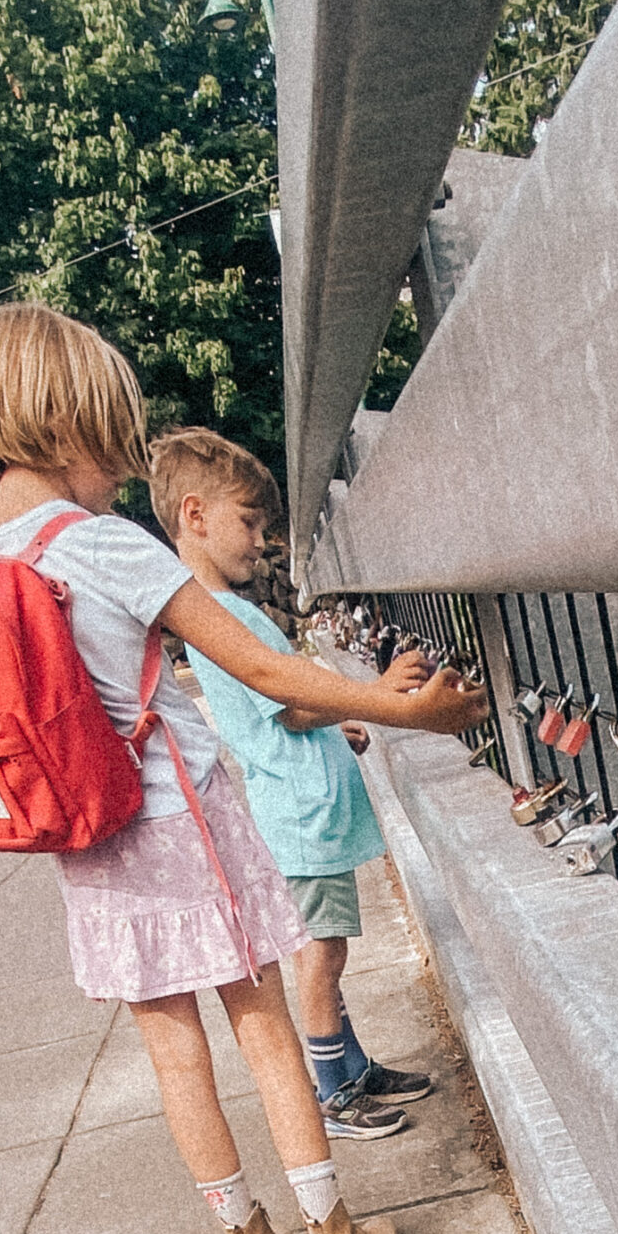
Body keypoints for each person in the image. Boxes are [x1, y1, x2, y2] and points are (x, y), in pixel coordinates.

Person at [0, 304, 486, 1234]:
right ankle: (335, 1231)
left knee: (169, 1043)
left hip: (83, 836)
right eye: (109, 442)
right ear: (67, 420)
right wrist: (401, 707)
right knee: (262, 1021)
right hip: (174, 816)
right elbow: (269, 672)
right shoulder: (93, 543)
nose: (117, 472)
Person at [149, 428, 434, 1142]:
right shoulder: (229, 619)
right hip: (303, 814)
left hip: (304, 806)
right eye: (249, 522)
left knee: (324, 946)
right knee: (322, 951)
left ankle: (353, 1063)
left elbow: (286, 713)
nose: (261, 541)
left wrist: (337, 721)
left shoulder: (222, 618)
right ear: (195, 515)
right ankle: (333, 1089)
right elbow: (295, 701)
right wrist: (369, 694)